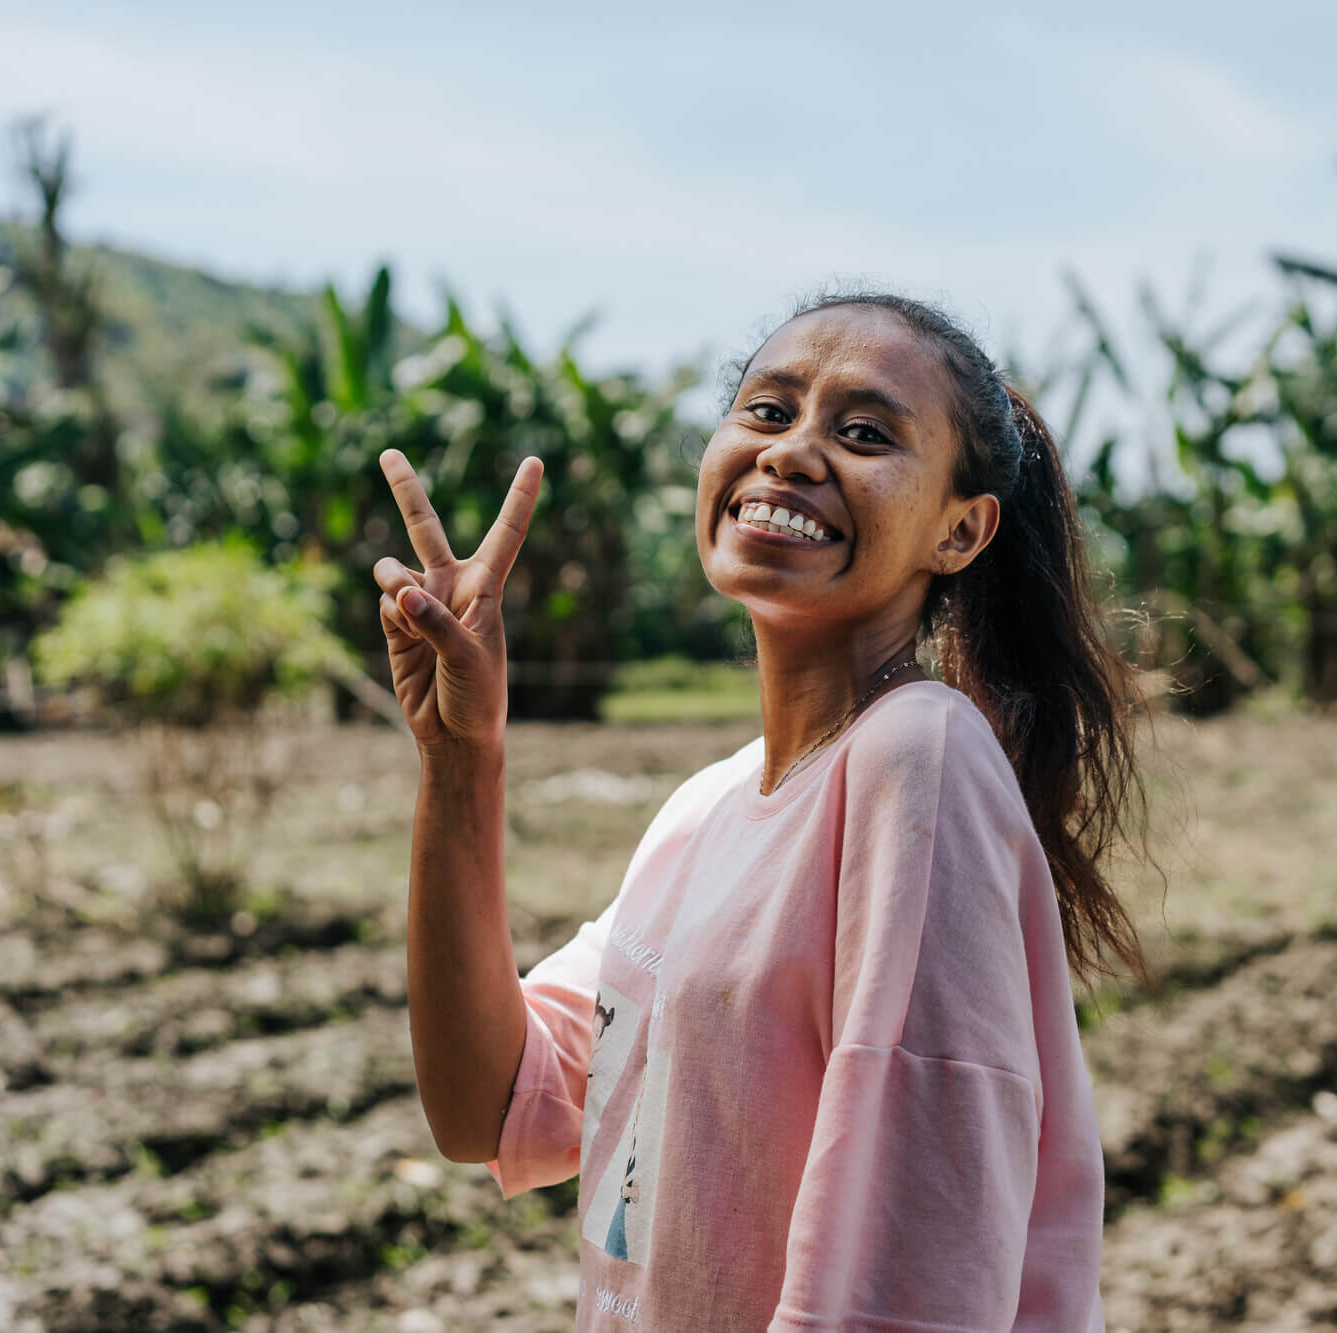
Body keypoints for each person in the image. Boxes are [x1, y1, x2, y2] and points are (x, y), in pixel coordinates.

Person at [371, 290, 1156, 1331]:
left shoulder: (916, 755)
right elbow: (487, 1103)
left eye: (864, 432)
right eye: (767, 410)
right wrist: (460, 763)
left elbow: (904, 1256)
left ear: (960, 531)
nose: (789, 453)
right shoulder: (702, 811)